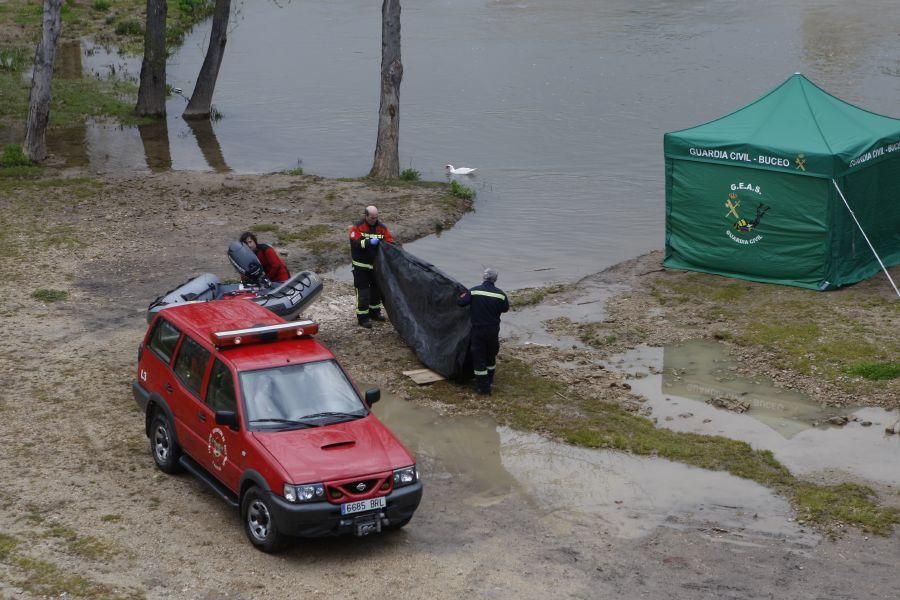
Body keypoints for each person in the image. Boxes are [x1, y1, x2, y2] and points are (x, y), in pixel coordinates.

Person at [457, 268, 509, 395]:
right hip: (493, 330)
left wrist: (463, 295)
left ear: (484, 278)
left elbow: (460, 302)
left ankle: (483, 388)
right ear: (495, 279)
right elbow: (505, 309)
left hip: (478, 330)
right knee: (491, 355)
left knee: (479, 357)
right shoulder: (501, 295)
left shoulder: (474, 291)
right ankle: (490, 380)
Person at [348, 205, 394, 328]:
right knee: (363, 293)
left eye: (376, 217)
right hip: (360, 267)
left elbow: (390, 241)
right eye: (372, 218)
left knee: (376, 291)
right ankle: (363, 318)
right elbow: (356, 243)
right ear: (366, 216)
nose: (374, 220)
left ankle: (375, 313)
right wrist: (369, 242)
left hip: (376, 266)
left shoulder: (382, 228)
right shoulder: (357, 227)